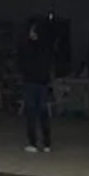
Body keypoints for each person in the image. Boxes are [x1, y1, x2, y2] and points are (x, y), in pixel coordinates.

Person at [18, 22, 53, 153]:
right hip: (42, 84)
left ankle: (33, 143)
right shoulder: (46, 49)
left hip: (31, 84)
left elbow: (22, 63)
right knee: (43, 114)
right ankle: (46, 143)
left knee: (32, 114)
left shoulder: (28, 48)